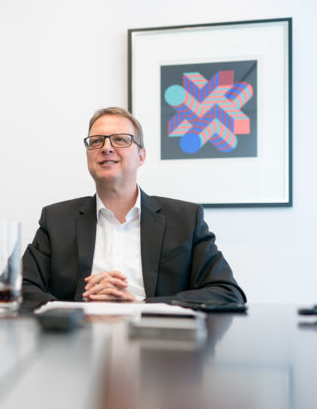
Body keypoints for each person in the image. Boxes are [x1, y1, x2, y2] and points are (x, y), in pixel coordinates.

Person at [21, 106, 246, 311]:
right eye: (96, 141)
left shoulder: (186, 220)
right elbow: (17, 288)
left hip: (156, 345)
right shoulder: (56, 220)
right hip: (77, 344)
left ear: (141, 156)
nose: (106, 147)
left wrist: (143, 306)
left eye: (120, 139)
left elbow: (227, 292)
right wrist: (80, 308)